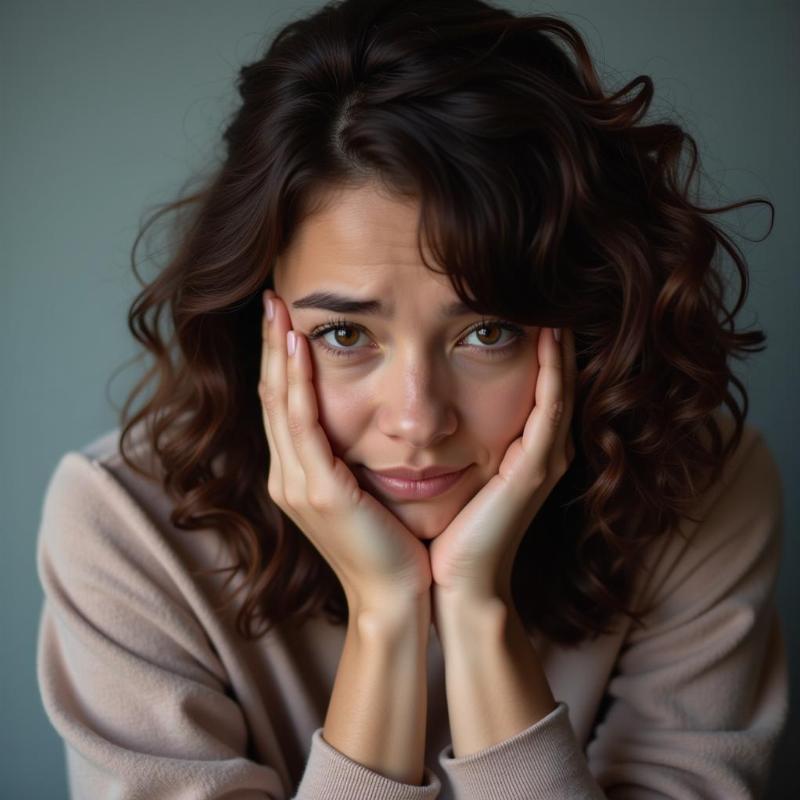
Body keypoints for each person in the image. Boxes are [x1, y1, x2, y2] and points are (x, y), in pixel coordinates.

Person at [35, 0, 788, 797]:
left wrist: (478, 611)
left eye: (488, 332)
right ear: (258, 327)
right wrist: (388, 616)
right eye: (345, 336)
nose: (418, 421)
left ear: (582, 327)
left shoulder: (702, 490)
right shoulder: (126, 527)